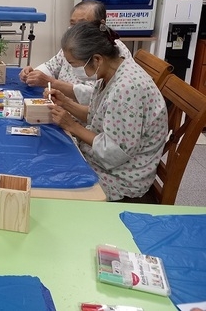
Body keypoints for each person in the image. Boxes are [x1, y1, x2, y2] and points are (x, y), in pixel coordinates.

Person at [46, 22, 168, 201]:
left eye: (74, 64)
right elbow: (97, 116)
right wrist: (65, 103)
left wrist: (71, 126)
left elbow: (113, 153)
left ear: (97, 59)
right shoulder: (110, 72)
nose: (72, 70)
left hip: (120, 178)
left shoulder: (127, 88)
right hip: (101, 161)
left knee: (49, 188)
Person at [20, 0, 132, 104]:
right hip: (65, 104)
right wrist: (34, 74)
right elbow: (52, 66)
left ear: (101, 24)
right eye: (73, 24)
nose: (76, 29)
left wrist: (52, 83)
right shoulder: (73, 42)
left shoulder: (113, 52)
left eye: (82, 24)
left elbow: (96, 96)